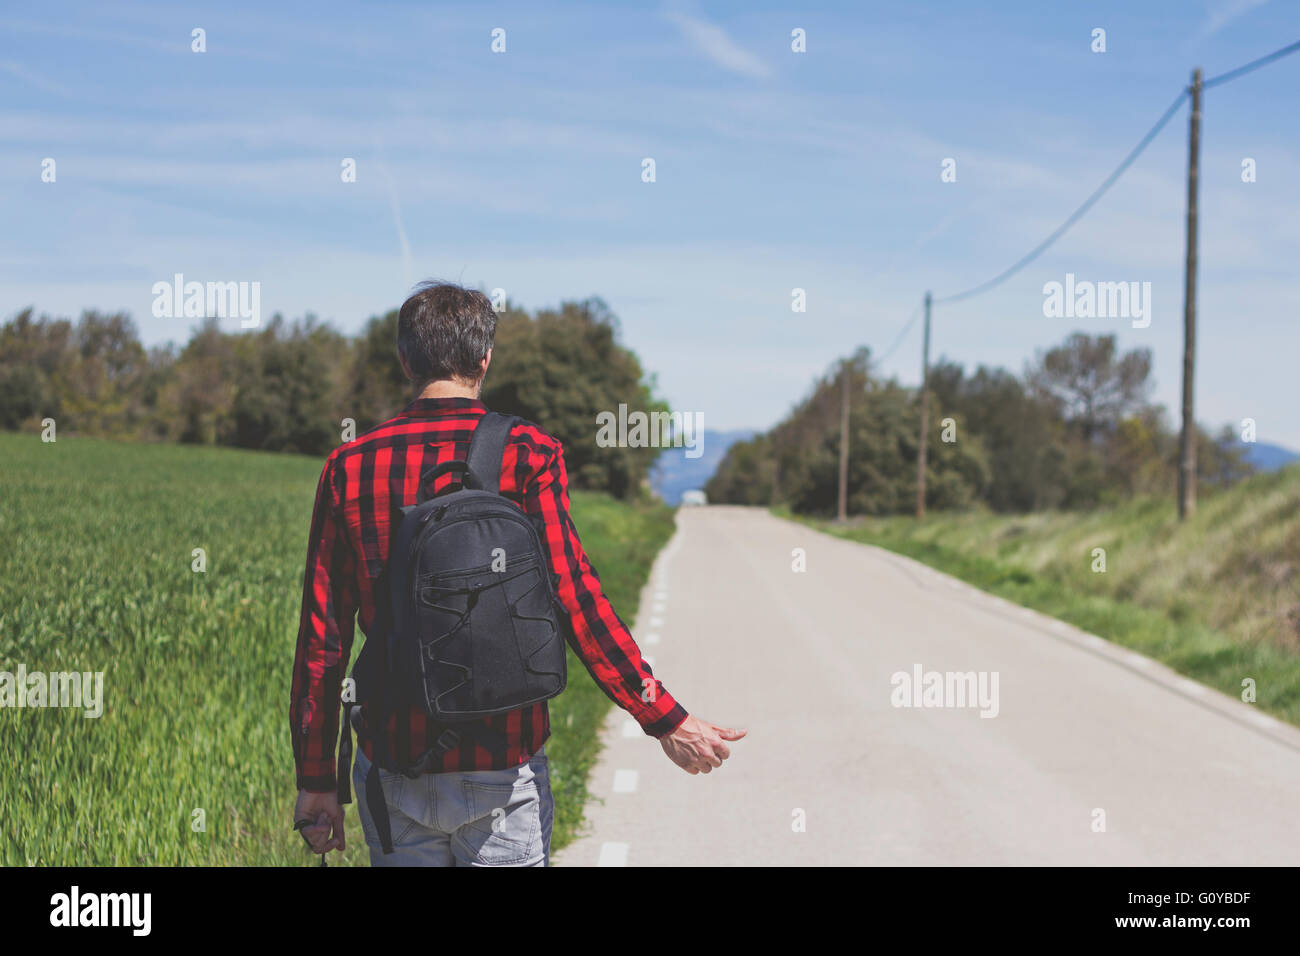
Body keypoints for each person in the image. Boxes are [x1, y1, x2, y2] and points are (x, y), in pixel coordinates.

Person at [289, 281, 745, 866]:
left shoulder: (349, 467)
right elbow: (575, 598)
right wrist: (663, 718)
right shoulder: (528, 453)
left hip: (394, 762)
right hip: (504, 763)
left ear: (405, 359)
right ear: (484, 359)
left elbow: (321, 641)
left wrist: (316, 779)